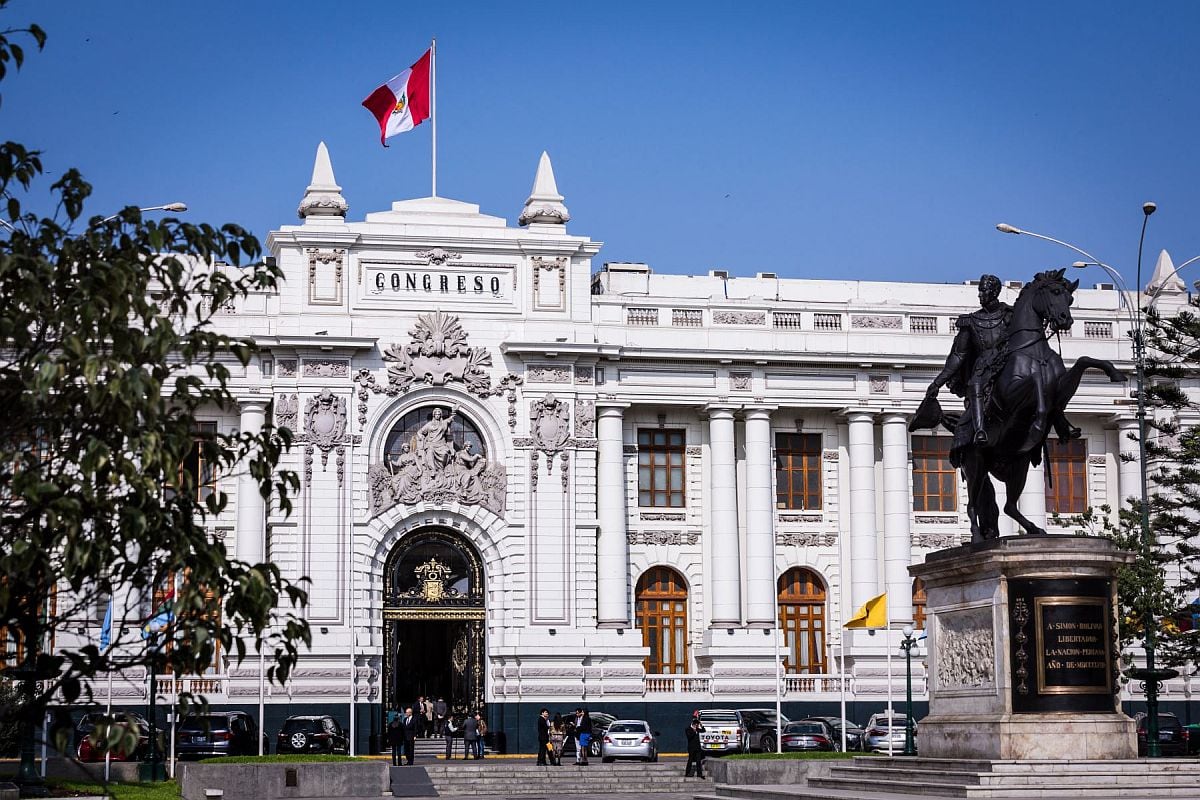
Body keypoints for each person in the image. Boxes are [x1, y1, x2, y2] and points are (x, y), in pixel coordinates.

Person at [924, 274, 1015, 450]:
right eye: (979, 291)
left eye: (984, 291)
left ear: (995, 292)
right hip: (983, 368)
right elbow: (958, 356)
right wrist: (937, 383)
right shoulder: (970, 321)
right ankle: (980, 430)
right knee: (975, 385)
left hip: (1007, 363)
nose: (980, 295)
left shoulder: (1010, 315)